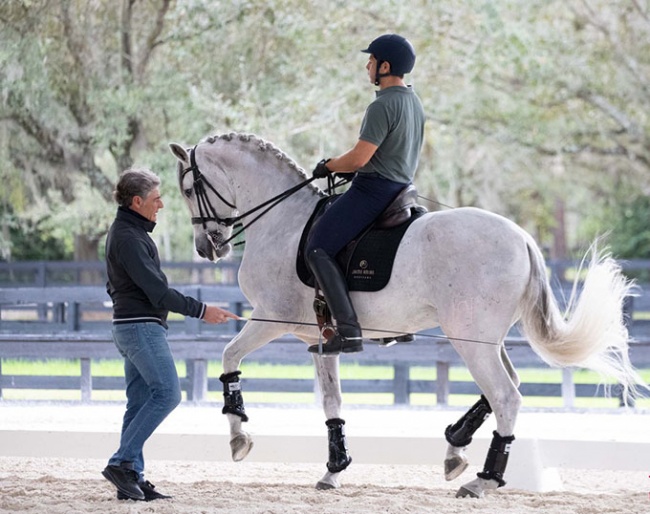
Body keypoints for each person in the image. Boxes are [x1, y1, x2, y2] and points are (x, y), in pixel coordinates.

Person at [102, 168, 239, 501]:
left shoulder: (127, 232)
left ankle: (131, 477)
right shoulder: (130, 238)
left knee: (138, 405)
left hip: (130, 327)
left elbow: (116, 285)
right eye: (155, 198)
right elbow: (159, 292)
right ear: (137, 202)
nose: (161, 204)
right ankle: (121, 463)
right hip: (141, 328)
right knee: (168, 394)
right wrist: (202, 310)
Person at [305, 34, 426, 355]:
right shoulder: (413, 101)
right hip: (402, 187)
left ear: (385, 66)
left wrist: (329, 166)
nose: (367, 66)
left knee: (317, 247)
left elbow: (359, 157)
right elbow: (384, 152)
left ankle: (348, 330)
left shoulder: (382, 105)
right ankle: (393, 325)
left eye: (371, 61)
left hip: (374, 189)